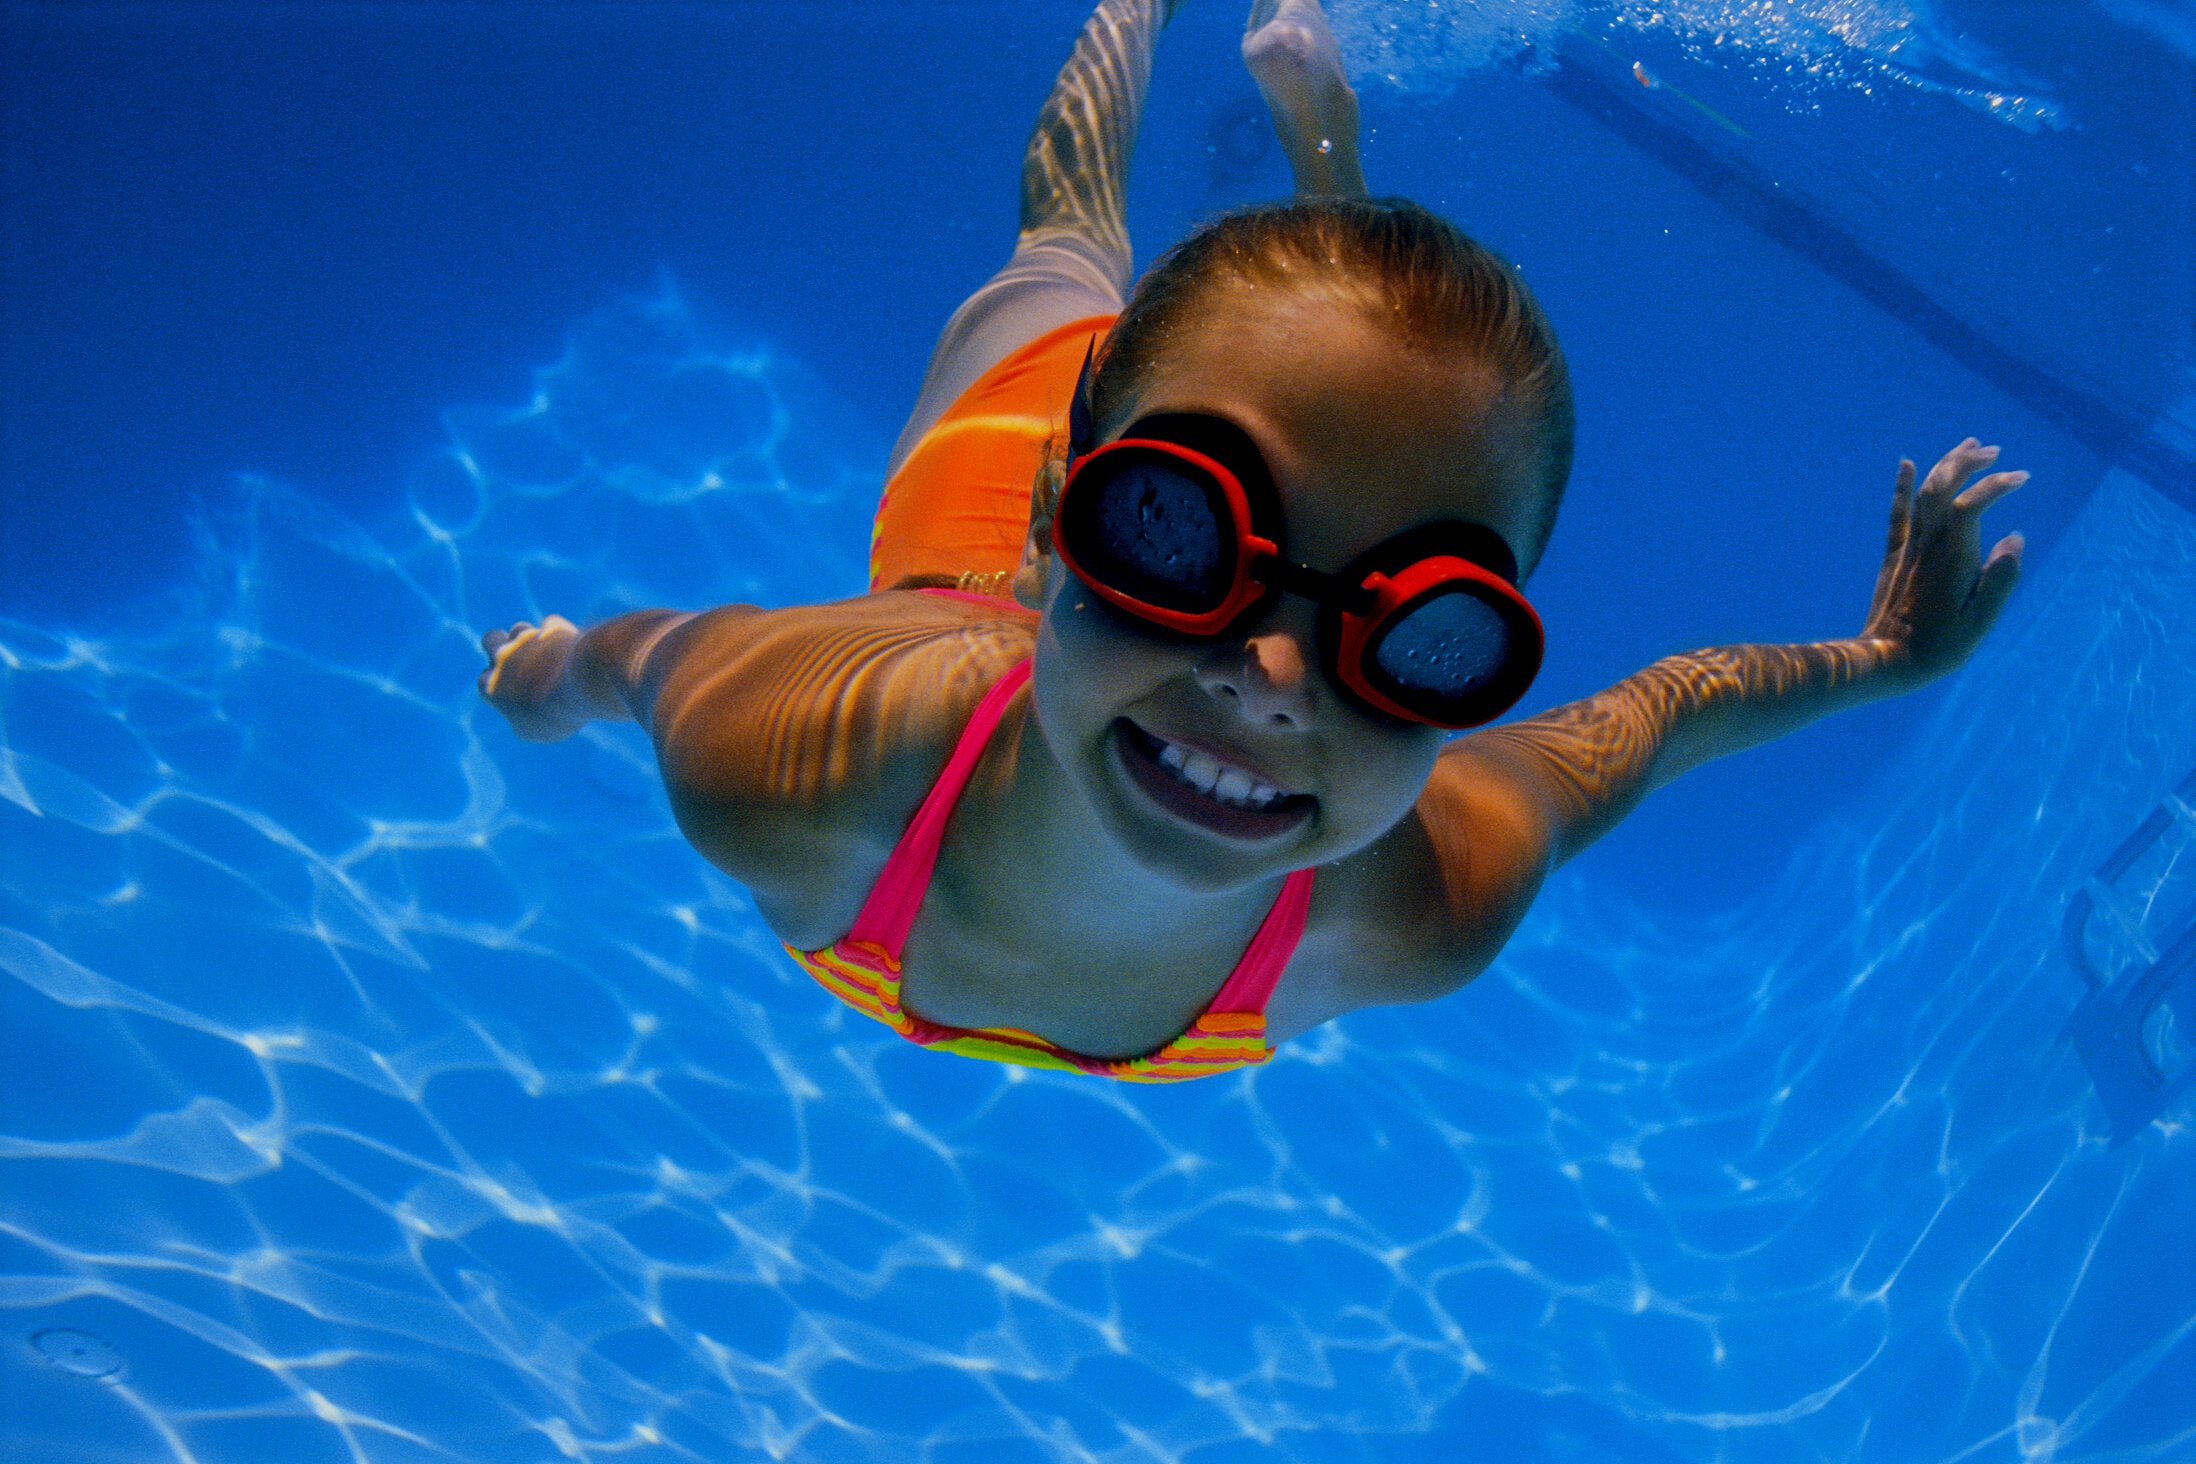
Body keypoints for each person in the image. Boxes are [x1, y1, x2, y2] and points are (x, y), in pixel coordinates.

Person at [476, 0, 2026, 1081]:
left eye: (1418, 632)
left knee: (1324, 370)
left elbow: (1658, 716)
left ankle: (1313, 188)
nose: (1280, 679)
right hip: (978, 495)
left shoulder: (1424, 904)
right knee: (1071, 240)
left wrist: (1886, 662)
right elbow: (647, 657)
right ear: (1059, 521)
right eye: (1174, 532)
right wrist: (557, 676)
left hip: (1114, 457)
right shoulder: (795, 763)